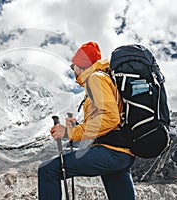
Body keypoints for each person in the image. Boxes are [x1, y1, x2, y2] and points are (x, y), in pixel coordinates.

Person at [38, 41, 135, 200]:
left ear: (80, 66)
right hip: (122, 152)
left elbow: (110, 118)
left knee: (48, 170)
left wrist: (70, 132)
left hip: (111, 151)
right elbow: (107, 121)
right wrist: (77, 126)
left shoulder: (95, 78)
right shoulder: (105, 78)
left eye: (72, 67)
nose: (73, 71)